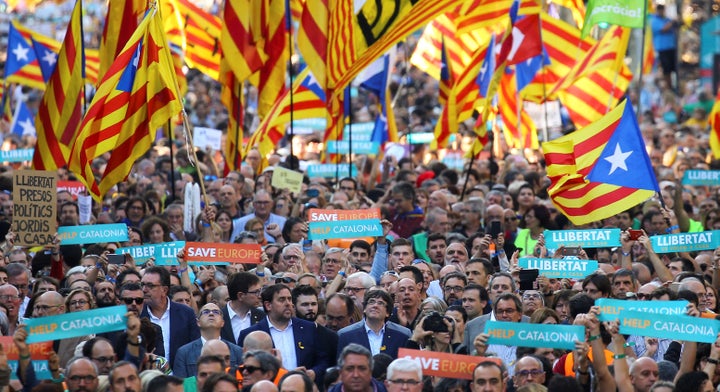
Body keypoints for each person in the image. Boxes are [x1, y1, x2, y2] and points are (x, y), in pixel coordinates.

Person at [239, 284, 330, 382]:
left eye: (289, 299)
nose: (288, 303)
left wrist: (314, 372)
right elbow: (244, 367)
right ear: (268, 305)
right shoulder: (251, 334)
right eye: (282, 300)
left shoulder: (309, 328)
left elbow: (323, 360)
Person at [140, 266, 200, 365]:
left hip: (180, 376)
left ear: (164, 290)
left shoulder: (186, 313)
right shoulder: (138, 315)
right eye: (142, 284)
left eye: (150, 285)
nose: (144, 290)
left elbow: (195, 348)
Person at [174, 303, 244, 377]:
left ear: (222, 323)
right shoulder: (184, 352)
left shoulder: (237, 351)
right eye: (206, 312)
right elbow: (180, 384)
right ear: (198, 322)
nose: (211, 314)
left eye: (216, 312)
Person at [337, 290, 411, 359]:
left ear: (387, 313)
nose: (375, 306)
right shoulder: (346, 335)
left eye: (380, 303)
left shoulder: (401, 337)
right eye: (371, 302)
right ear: (365, 309)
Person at [222, 272, 265, 345]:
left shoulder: (262, 316)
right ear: (240, 296)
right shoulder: (219, 317)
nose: (260, 296)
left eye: (260, 291)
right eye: (256, 292)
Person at [651, 4, 679, 90]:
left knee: (674, 68)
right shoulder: (654, 21)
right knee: (667, 70)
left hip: (672, 47)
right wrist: (672, 22)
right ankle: (669, 87)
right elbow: (663, 29)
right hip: (662, 48)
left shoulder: (667, 19)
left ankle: (675, 86)